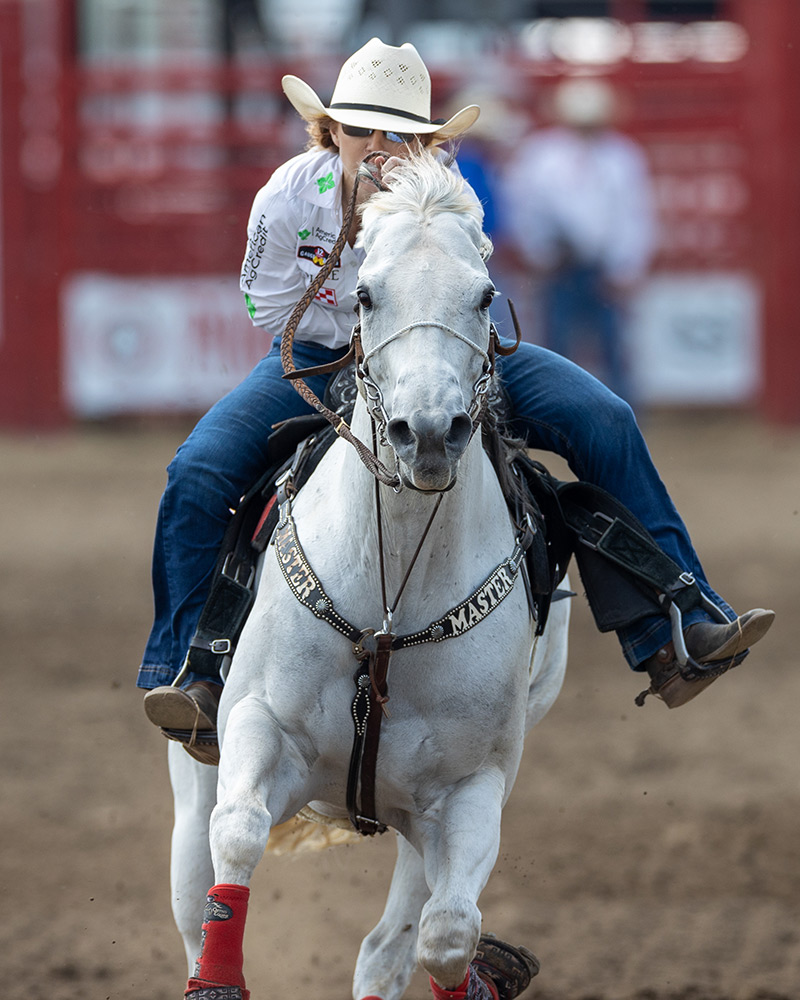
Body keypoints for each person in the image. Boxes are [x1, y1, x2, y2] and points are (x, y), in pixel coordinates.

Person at [139, 39, 773, 749]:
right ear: (331, 133)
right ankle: (192, 672)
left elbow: (474, 293)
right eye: (360, 130)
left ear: (423, 142)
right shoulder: (288, 196)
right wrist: (362, 316)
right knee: (197, 471)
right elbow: (264, 302)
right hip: (318, 363)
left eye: (398, 133)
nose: (379, 147)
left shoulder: (451, 195)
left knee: (604, 417)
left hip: (444, 358)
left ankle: (676, 623)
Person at [502, 77, 657, 406]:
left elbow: (634, 216)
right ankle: (558, 408)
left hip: (601, 265)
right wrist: (539, 253)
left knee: (610, 345)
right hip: (560, 265)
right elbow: (524, 206)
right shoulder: (543, 154)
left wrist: (625, 267)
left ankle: (621, 408)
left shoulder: (621, 156)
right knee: (559, 346)